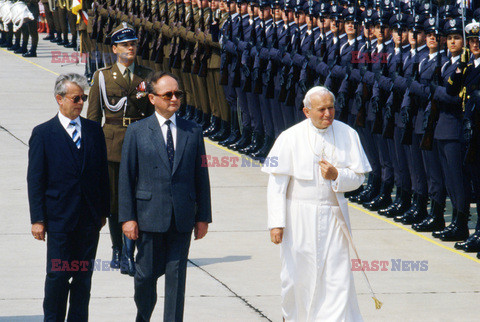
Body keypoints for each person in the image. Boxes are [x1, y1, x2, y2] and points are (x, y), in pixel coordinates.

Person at [262, 86, 371, 321]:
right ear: (306, 111)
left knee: (337, 277)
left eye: (331, 108)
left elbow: (360, 177)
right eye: (321, 109)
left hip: (334, 216)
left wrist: (337, 176)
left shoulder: (348, 133)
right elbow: (276, 184)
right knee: (295, 278)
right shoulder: (289, 137)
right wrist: (276, 223)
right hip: (297, 217)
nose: (328, 114)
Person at [118, 71, 212, 322]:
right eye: (168, 94)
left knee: (177, 277)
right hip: (148, 218)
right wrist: (127, 218)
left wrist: (203, 216)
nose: (174, 98)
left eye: (177, 94)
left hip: (182, 217)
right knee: (145, 276)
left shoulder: (193, 130)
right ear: (152, 98)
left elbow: (201, 175)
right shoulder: (137, 131)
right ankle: (143, 316)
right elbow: (126, 177)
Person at [27, 73, 109, 321]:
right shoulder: (43, 133)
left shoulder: (94, 130)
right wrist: (38, 219)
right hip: (59, 219)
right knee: (58, 276)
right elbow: (36, 180)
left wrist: (103, 212)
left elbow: (102, 174)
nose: (80, 103)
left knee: (83, 278)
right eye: (76, 98)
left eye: (83, 98)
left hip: (88, 219)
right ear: (59, 99)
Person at [87, 22, 154, 276]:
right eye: (126, 45)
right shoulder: (102, 77)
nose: (131, 48)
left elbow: (152, 115)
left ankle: (131, 251)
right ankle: (118, 249)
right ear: (114, 48)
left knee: (138, 200)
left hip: (140, 145)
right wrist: (91, 153)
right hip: (112, 146)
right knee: (115, 203)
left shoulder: (147, 76)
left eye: (134, 44)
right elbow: (93, 118)